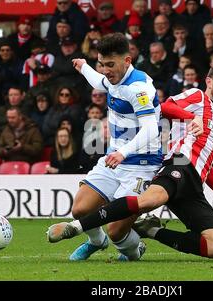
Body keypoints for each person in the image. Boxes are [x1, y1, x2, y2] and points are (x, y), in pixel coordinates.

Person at [46, 63, 213, 259]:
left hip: (193, 184)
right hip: (178, 165)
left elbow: (205, 168)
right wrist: (190, 117)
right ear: (209, 81)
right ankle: (76, 227)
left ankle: (149, 230)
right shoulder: (199, 98)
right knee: (148, 201)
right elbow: (164, 107)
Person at [58, 33, 162, 262]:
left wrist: (123, 152)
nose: (105, 70)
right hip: (114, 160)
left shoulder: (138, 88)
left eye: (110, 65)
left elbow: (152, 129)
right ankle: (97, 241)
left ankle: (135, 250)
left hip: (141, 165)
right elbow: (99, 82)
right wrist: (84, 67)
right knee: (80, 210)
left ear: (127, 60)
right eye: (101, 64)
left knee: (117, 231)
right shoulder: (114, 78)